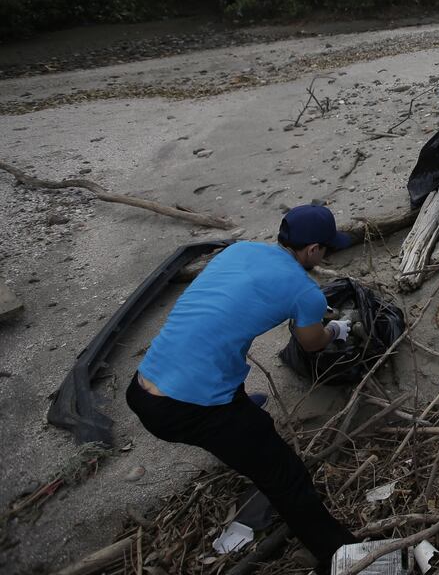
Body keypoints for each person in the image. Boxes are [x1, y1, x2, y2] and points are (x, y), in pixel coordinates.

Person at [127, 205, 359, 571]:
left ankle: (238, 414)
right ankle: (341, 555)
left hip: (142, 386)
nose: (327, 254)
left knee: (226, 372)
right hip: (184, 410)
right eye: (326, 248)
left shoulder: (239, 250)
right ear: (313, 250)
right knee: (285, 473)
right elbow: (313, 343)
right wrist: (336, 329)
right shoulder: (305, 291)